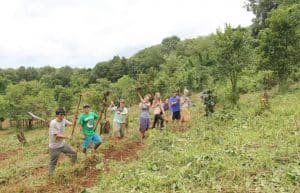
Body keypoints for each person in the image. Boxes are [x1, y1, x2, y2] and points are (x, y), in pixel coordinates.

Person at [48, 108, 77, 176]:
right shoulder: (53, 123)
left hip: (62, 144)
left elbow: (73, 124)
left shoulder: (63, 120)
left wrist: (75, 119)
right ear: (57, 115)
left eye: (63, 115)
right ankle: (50, 176)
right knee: (53, 162)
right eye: (61, 115)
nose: (62, 116)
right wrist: (67, 137)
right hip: (54, 147)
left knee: (73, 154)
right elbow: (57, 136)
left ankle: (74, 167)